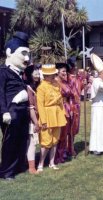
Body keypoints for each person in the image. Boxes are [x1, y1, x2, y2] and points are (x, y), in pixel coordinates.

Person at [0, 32, 30, 180]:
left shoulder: (20, 74)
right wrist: (4, 112)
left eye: (28, 54)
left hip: (23, 111)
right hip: (11, 112)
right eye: (23, 53)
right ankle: (7, 171)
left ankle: (19, 165)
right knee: (10, 141)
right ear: (9, 53)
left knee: (22, 139)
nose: (27, 58)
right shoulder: (3, 72)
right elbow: (0, 93)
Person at [36, 64, 67, 172]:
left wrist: (63, 113)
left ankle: (51, 162)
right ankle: (40, 163)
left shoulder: (56, 84)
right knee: (46, 141)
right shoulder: (41, 87)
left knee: (55, 140)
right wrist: (43, 120)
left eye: (54, 74)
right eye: (51, 74)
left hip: (57, 114)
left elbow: (61, 101)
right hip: (47, 114)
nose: (54, 76)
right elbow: (40, 105)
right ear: (45, 75)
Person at [54, 63, 74, 164]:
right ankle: (57, 156)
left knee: (65, 133)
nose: (65, 73)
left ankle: (62, 154)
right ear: (57, 71)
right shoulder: (55, 82)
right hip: (60, 109)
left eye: (65, 71)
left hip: (67, 107)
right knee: (60, 133)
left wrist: (70, 108)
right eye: (63, 71)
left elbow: (70, 93)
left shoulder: (65, 82)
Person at [24, 65, 41, 174]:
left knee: (32, 142)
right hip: (31, 119)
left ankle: (26, 162)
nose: (37, 76)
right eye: (35, 74)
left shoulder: (37, 86)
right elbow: (30, 108)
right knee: (32, 142)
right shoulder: (28, 88)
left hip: (37, 117)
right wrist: (36, 123)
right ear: (29, 75)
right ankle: (31, 167)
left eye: (38, 73)